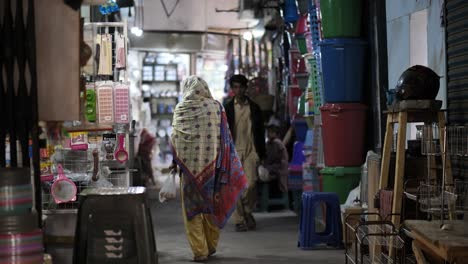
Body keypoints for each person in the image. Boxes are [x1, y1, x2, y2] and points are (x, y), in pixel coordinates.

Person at [170, 76, 248, 262]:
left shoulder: (182, 108)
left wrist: (175, 162)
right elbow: (225, 137)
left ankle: (200, 251)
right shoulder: (216, 107)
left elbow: (175, 137)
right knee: (210, 207)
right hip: (213, 167)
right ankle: (211, 245)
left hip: (189, 170)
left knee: (192, 210)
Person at [224, 74, 265, 232]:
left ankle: (247, 211)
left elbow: (260, 132)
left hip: (251, 152)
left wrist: (262, 153)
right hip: (234, 153)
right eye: (235, 87)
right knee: (236, 188)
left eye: (241, 87)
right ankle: (239, 220)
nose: (238, 90)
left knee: (251, 184)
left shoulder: (254, 108)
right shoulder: (227, 109)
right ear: (232, 89)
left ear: (245, 88)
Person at [257, 118, 289, 193]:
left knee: (260, 171)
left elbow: (272, 158)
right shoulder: (270, 142)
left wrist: (263, 164)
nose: (269, 133)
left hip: (279, 168)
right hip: (274, 166)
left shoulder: (277, 143)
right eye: (268, 131)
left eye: (272, 131)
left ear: (276, 133)